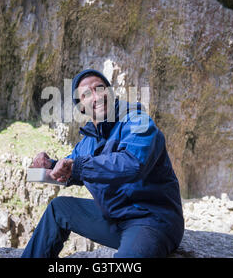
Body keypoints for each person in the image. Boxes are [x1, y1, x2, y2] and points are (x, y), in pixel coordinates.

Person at [21, 68, 184, 258]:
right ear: (81, 107)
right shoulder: (88, 142)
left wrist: (77, 167)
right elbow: (71, 169)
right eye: (87, 94)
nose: (96, 96)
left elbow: (133, 163)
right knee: (59, 208)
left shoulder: (138, 121)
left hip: (151, 220)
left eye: (100, 88)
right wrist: (48, 165)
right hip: (114, 219)